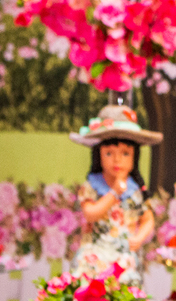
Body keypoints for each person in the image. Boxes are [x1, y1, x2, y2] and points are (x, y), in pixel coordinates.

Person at [68, 104, 162, 285]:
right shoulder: (92, 186)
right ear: (99, 155)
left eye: (125, 154)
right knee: (89, 269)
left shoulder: (136, 190)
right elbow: (90, 214)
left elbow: (147, 219)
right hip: (96, 249)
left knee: (125, 273)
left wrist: (138, 238)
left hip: (123, 251)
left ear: (135, 157)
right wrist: (114, 194)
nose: (117, 160)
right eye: (109, 153)